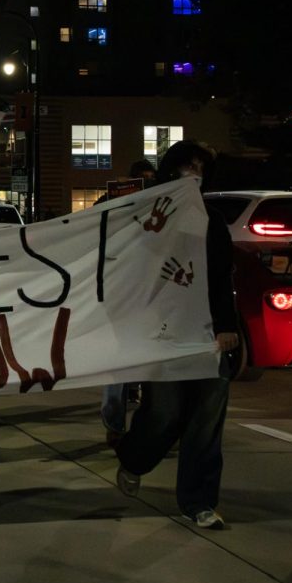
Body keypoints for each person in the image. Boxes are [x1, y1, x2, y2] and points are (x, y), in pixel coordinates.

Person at [115, 141, 239, 530]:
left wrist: (227, 325)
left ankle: (199, 501)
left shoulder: (212, 221)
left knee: (206, 421)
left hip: (205, 335)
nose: (193, 175)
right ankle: (134, 458)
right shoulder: (146, 217)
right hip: (162, 334)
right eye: (188, 167)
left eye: (200, 169)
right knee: (165, 413)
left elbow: (221, 277)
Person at [100, 159, 157, 447]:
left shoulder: (160, 203)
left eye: (150, 179)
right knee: (118, 362)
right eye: (141, 179)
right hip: (120, 292)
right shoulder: (114, 204)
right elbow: (95, 222)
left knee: (149, 363)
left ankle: (151, 424)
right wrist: (115, 196)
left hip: (151, 294)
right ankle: (115, 425)